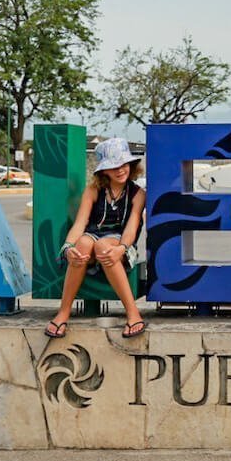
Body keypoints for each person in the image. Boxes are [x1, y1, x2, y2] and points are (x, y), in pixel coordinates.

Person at [45, 137, 147, 339]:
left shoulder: (137, 194)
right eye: (113, 166)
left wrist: (122, 249)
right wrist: (68, 248)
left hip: (120, 241)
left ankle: (133, 313)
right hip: (92, 235)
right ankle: (63, 312)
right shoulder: (94, 190)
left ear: (131, 165)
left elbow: (132, 228)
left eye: (124, 164)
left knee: (103, 246)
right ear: (104, 170)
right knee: (82, 244)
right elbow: (80, 224)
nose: (120, 170)